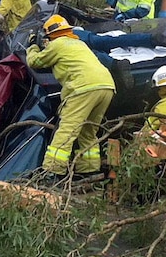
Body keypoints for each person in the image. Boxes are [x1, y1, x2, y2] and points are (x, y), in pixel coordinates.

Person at [25, 15, 116, 181]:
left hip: (83, 88)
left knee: (67, 129)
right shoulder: (79, 43)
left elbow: (34, 62)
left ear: (50, 35)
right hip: (106, 86)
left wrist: (32, 46)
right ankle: (89, 169)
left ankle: (52, 171)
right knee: (88, 130)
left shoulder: (58, 44)